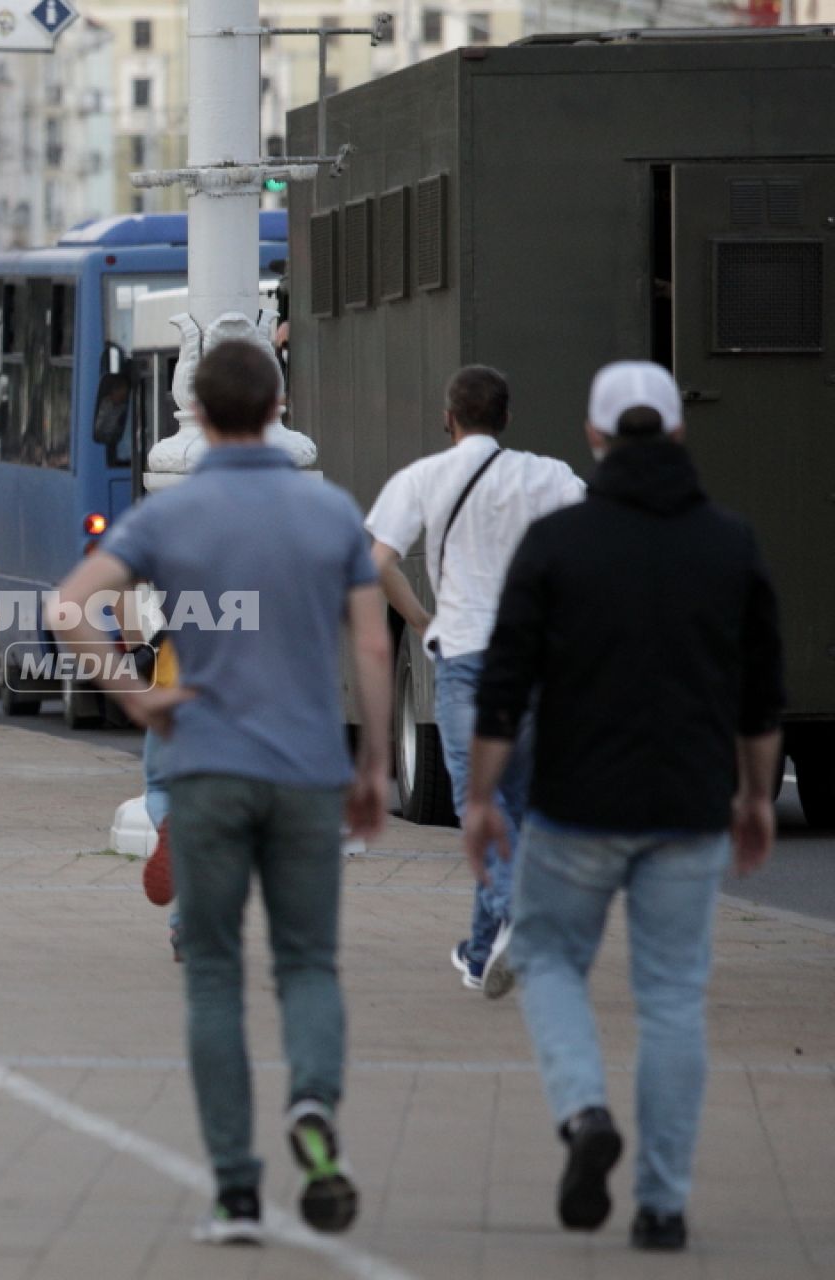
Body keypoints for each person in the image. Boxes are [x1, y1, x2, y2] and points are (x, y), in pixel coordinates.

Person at [49, 340, 392, 1245]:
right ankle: (314, 1107)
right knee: (308, 963)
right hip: (309, 772)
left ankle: (236, 1192)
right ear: (279, 405)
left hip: (204, 767)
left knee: (211, 976)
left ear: (196, 416)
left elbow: (67, 608)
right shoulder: (329, 512)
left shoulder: (176, 513)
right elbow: (370, 647)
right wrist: (376, 764)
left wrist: (133, 696)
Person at [463, 361, 784, 1254]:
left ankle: (584, 1114)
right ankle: (662, 1206)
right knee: (674, 998)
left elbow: (503, 685)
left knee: (554, 959)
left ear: (595, 440)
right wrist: (756, 796)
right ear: (680, 432)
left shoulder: (559, 543)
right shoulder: (732, 543)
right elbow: (761, 697)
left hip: (573, 806)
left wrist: (483, 797)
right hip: (688, 807)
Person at [366, 366, 584, 997]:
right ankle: (480, 951)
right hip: (534, 663)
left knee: (480, 808)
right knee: (513, 805)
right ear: (507, 417)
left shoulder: (424, 478)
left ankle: (523, 915)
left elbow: (373, 560)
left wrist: (415, 617)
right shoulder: (548, 476)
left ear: (448, 418)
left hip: (466, 661)